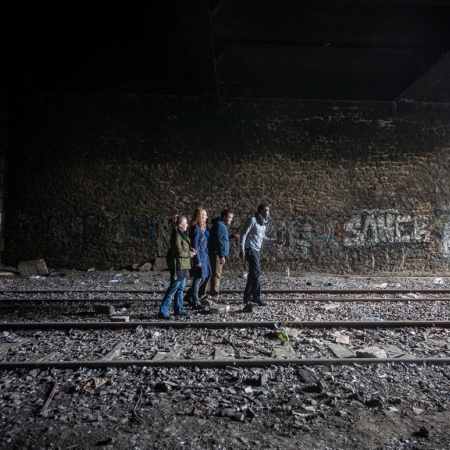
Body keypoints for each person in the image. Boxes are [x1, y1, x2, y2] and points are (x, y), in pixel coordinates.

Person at [239, 204, 283, 306]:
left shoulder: (263, 224)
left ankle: (247, 297)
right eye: (267, 211)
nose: (269, 213)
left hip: (257, 250)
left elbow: (263, 238)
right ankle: (256, 297)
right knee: (257, 272)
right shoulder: (252, 220)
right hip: (250, 249)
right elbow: (244, 234)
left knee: (252, 274)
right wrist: (242, 249)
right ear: (262, 212)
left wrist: (275, 241)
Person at [158, 215, 196, 319]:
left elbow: (183, 248)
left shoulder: (182, 234)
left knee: (180, 288)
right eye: (185, 223)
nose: (187, 224)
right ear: (180, 225)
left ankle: (179, 309)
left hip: (183, 265)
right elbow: (178, 252)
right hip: (178, 266)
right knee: (173, 288)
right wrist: (190, 254)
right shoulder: (176, 236)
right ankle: (163, 311)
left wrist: (189, 249)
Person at [198, 209, 239, 301]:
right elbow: (218, 241)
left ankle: (201, 293)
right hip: (216, 254)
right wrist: (221, 255)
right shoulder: (220, 226)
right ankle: (214, 295)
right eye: (230, 217)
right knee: (216, 274)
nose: (231, 220)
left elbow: (221, 236)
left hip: (213, 252)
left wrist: (231, 235)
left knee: (209, 274)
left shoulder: (219, 225)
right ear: (224, 217)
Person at [183, 209, 211, 310]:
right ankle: (195, 301)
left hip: (203, 255)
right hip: (199, 256)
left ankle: (188, 296)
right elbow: (195, 244)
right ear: (199, 216)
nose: (206, 217)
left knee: (202, 278)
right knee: (198, 278)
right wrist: (197, 260)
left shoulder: (201, 228)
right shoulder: (196, 228)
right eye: (204, 215)